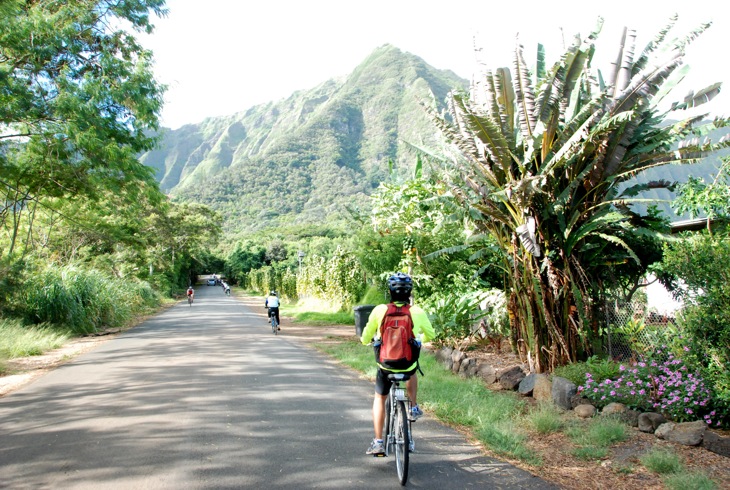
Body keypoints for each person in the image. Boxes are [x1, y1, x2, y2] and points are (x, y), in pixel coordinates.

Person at [360, 272, 434, 456]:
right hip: (407, 365)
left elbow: (365, 337)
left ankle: (378, 442)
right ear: (409, 292)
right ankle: (413, 407)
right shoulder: (417, 312)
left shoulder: (379, 310)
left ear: (390, 292)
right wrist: (418, 339)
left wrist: (366, 340)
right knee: (412, 369)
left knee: (379, 398)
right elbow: (431, 335)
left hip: (386, 366)